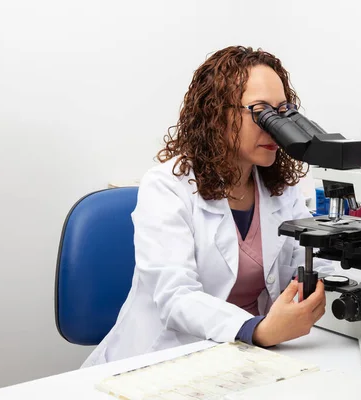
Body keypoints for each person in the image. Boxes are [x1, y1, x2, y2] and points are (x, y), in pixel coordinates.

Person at [82, 45, 334, 367]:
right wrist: (259, 329)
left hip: (248, 357)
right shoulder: (167, 188)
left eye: (283, 112)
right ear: (217, 115)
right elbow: (176, 296)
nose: (275, 128)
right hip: (167, 360)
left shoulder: (281, 189)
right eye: (261, 113)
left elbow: (311, 266)